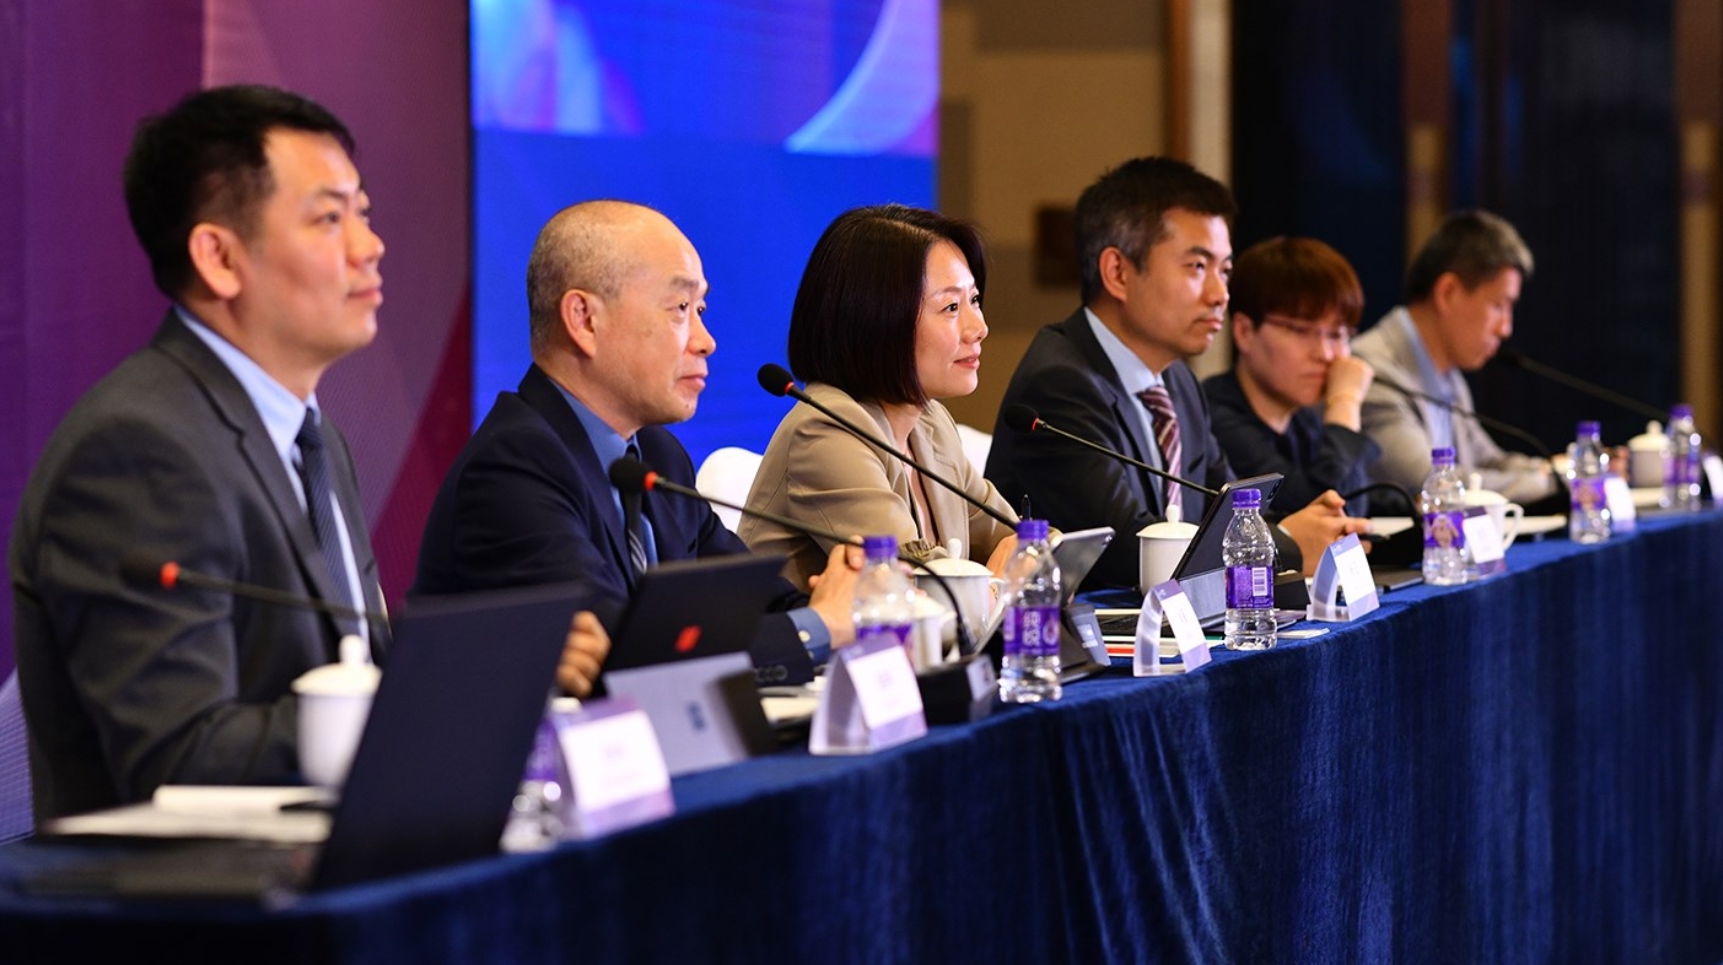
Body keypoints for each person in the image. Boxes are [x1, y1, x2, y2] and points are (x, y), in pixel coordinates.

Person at [10, 85, 390, 820]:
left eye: (363, 213)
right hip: (190, 886)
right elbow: (179, 753)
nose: (368, 246)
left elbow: (352, 664)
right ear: (219, 258)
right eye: (329, 217)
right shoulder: (139, 447)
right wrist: (406, 714)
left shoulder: (316, 439)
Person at [412, 200, 858, 686]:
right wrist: (817, 627)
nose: (706, 341)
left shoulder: (659, 456)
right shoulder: (512, 468)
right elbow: (625, 654)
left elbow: (753, 602)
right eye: (680, 309)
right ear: (584, 319)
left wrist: (852, 601)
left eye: (700, 309)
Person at [986, 156, 1368, 590]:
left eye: (1224, 270)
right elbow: (1133, 552)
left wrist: (1315, 526)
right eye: (1197, 267)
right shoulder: (1059, 384)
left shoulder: (1177, 380)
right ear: (1118, 272)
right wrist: (1288, 543)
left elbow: (1229, 508)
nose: (1220, 295)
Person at [740, 205, 1017, 590]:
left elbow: (1024, 540)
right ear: (879, 320)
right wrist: (1010, 578)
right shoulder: (825, 431)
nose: (979, 327)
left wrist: (1027, 555)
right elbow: (915, 591)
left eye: (974, 300)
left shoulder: (931, 423)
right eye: (951, 307)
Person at [1352, 209, 1555, 502]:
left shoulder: (1447, 371)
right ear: (1448, 293)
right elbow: (1429, 482)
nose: (1506, 328)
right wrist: (1553, 483)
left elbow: (1487, 460)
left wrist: (1556, 469)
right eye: (1499, 305)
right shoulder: (1372, 372)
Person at [1203, 236, 1385, 516]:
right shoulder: (1215, 420)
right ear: (1244, 332)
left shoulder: (1303, 421)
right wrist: (1345, 402)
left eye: (1336, 334)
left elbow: (1355, 507)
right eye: (1301, 331)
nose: (1325, 354)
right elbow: (1323, 517)